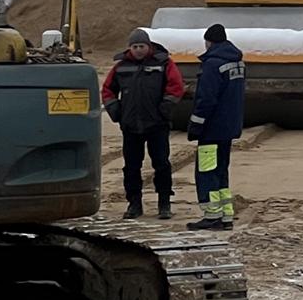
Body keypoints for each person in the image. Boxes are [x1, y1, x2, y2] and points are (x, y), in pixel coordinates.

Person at [103, 29, 185, 220]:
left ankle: (164, 204)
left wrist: (165, 108)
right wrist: (116, 112)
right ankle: (134, 204)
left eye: (142, 46)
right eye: (135, 46)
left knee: (161, 165)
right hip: (131, 126)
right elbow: (107, 90)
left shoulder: (164, 63)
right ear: (129, 48)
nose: (138, 50)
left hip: (157, 125)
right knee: (131, 167)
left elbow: (176, 86)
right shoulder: (121, 67)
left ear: (149, 46)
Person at [187, 23, 247, 231]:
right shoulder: (238, 62)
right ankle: (226, 215)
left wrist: (196, 125)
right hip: (229, 128)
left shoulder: (212, 64)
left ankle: (212, 215)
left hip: (211, 129)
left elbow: (206, 99)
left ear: (209, 42)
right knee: (221, 170)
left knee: (206, 170)